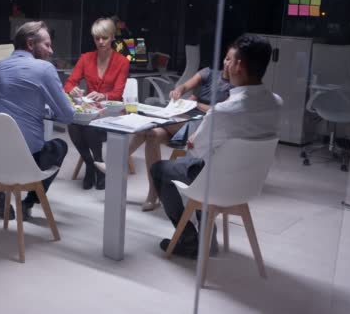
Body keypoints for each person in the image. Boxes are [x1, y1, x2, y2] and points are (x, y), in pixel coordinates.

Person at [151, 34, 283, 258]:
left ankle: (189, 239)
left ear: (239, 65)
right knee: (204, 165)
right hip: (248, 186)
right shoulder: (276, 102)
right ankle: (206, 238)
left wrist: (195, 141)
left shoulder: (224, 111)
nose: (226, 64)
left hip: (215, 185)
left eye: (230, 60)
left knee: (160, 170)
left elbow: (196, 150)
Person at [0, 21, 75, 221]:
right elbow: (67, 116)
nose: (51, 50)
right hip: (26, 162)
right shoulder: (45, 69)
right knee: (59, 146)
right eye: (47, 45)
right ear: (31, 44)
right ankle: (29, 201)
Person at [128, 47, 235, 211]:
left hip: (202, 128)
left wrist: (196, 104)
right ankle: (153, 194)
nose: (227, 63)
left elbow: (219, 112)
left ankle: (120, 158)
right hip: (183, 120)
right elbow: (184, 87)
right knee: (152, 134)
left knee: (152, 123)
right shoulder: (208, 73)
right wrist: (178, 91)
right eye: (226, 58)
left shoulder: (236, 89)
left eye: (231, 60)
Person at [64, 18, 130, 190]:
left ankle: (97, 166)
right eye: (97, 38)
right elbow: (69, 83)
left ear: (112, 37)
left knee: (90, 127)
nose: (100, 42)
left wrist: (103, 95)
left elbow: (117, 94)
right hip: (91, 110)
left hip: (112, 112)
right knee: (72, 124)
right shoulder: (86, 58)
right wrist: (73, 90)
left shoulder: (122, 61)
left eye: (105, 38)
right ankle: (93, 164)